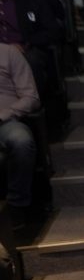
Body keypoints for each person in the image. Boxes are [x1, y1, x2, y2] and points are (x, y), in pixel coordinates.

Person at [0, 44, 40, 227]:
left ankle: (17, 206)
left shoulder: (9, 53)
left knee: (21, 141)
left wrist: (4, 114)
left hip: (6, 121)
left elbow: (31, 97)